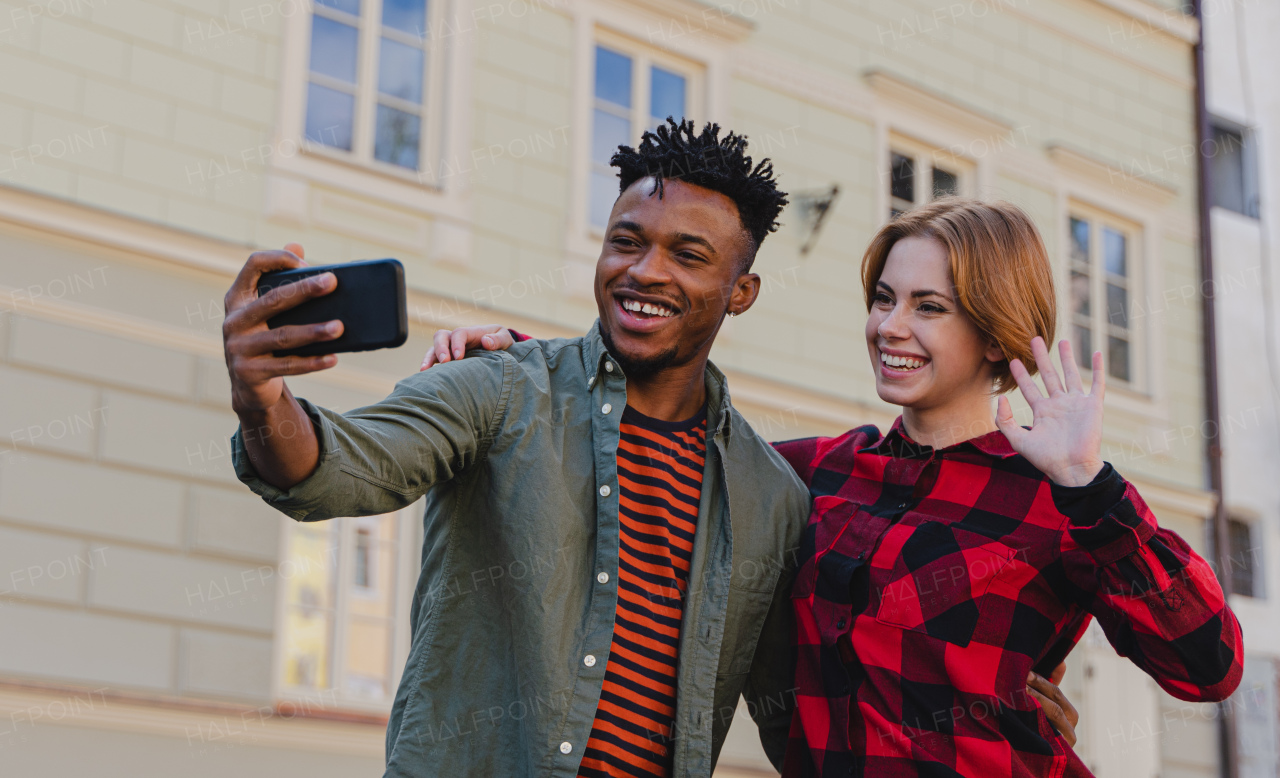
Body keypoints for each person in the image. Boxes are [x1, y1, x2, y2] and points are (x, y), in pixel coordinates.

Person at [419, 197, 1241, 777]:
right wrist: (522, 366)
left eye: (929, 307)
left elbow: (1209, 666)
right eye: (884, 298)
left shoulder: (1058, 499)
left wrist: (1091, 485)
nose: (889, 326)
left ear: (994, 333)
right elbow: (648, 438)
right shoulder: (814, 472)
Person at [223, 118, 807, 778]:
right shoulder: (499, 388)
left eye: (689, 256)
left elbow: (797, 719)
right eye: (626, 242)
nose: (646, 272)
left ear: (741, 293)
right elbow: (335, 470)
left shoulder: (770, 497)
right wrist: (262, 400)